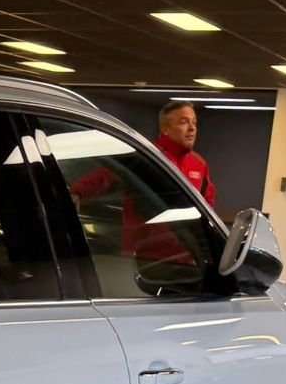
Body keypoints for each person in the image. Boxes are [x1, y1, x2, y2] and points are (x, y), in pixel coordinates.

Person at [68, 100, 216, 263]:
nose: (192, 128)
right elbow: (106, 174)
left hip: (185, 257)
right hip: (144, 256)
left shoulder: (198, 164)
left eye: (194, 122)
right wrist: (77, 192)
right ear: (165, 129)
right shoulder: (146, 157)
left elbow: (207, 205)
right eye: (183, 122)